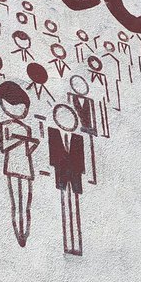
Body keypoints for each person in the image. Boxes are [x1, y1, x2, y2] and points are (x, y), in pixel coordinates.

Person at [0, 80, 38, 247]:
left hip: (26, 166)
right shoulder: (5, 125)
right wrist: (19, 140)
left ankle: (25, 233)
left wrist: (31, 144)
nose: (16, 110)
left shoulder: (27, 128)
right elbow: (4, 147)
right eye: (11, 105)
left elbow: (28, 150)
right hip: (12, 165)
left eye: (20, 107)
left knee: (27, 202)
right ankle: (17, 231)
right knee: (15, 201)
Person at [49, 103, 87, 255]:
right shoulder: (54, 135)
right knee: (65, 202)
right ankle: (69, 244)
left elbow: (80, 163)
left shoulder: (77, 139)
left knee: (74, 205)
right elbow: (55, 159)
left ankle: (75, 245)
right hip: (63, 174)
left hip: (74, 175)